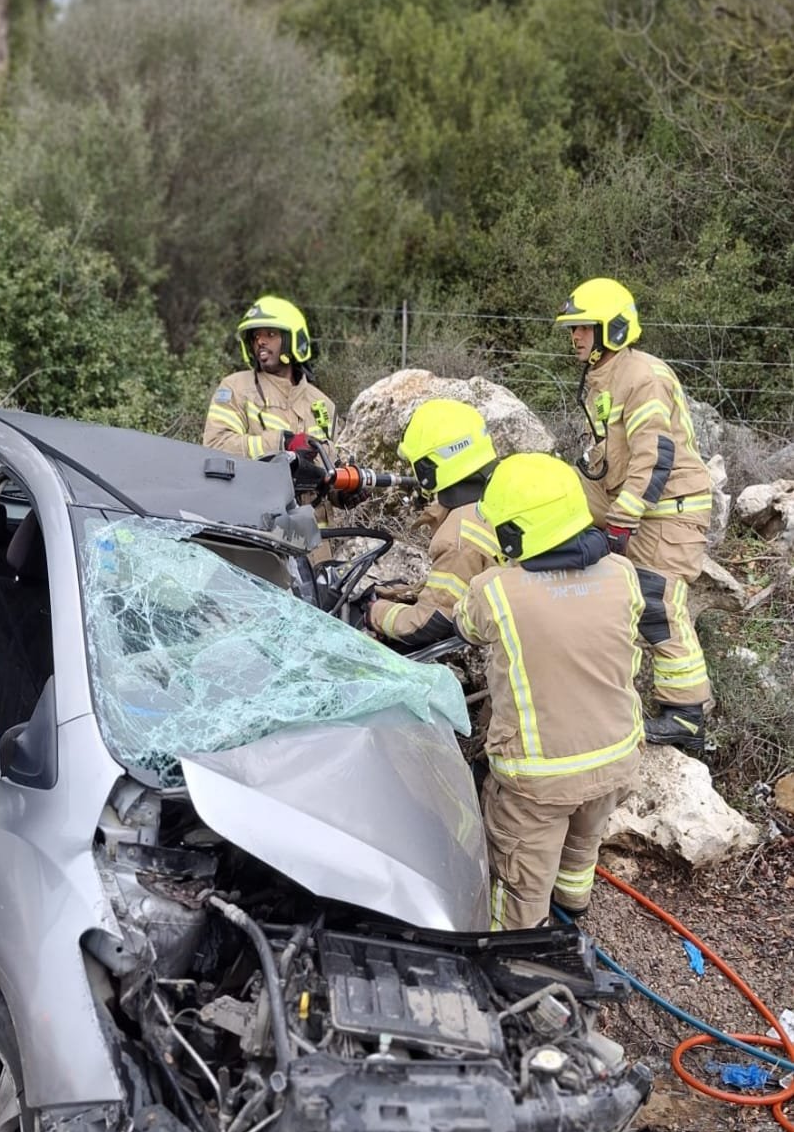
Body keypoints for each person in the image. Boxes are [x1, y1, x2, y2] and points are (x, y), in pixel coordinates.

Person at [453, 453, 643, 931]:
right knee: (582, 845)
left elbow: (465, 625)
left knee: (520, 878)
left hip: (539, 780)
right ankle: (574, 906)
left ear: (513, 532)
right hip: (615, 760)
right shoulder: (623, 574)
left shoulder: (495, 591)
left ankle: (518, 952)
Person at [556, 277, 712, 756]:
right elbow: (614, 454)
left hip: (668, 513)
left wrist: (621, 519)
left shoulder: (643, 377)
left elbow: (654, 455)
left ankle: (685, 715)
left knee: (658, 604)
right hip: (644, 507)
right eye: (574, 328)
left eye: (584, 327)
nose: (575, 336)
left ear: (614, 329)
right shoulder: (609, 376)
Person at [368, 398, 501, 650]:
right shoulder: (507, 490)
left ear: (427, 469)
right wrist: (407, 592)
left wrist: (375, 612)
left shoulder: (460, 534)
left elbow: (428, 623)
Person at [203, 295, 337, 460]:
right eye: (256, 337)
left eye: (270, 334)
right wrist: (282, 442)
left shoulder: (323, 404)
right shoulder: (235, 388)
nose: (261, 341)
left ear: (293, 340)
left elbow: (340, 461)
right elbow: (216, 445)